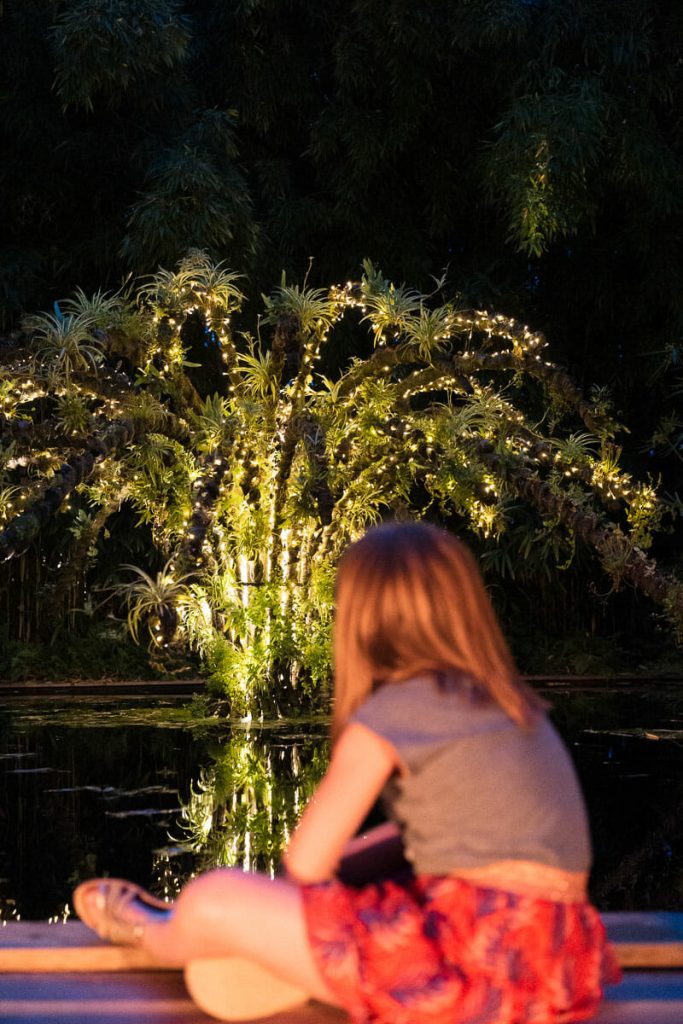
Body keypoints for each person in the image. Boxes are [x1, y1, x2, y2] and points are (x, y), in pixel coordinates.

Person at [74, 521, 621, 1023]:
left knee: (214, 897)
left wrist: (299, 900)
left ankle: (157, 933)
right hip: (550, 968)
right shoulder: (509, 705)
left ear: (361, 619)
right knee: (335, 903)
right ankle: (302, 971)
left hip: (462, 971)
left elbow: (306, 864)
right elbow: (455, 848)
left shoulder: (392, 711)